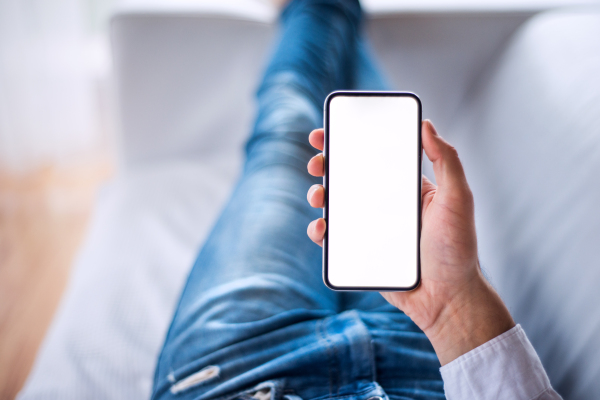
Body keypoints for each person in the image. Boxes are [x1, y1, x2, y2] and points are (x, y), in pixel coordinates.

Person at [151, 0, 562, 399]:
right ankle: (338, 8)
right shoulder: (447, 306)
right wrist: (456, 303)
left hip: (244, 370)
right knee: (371, 120)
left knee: (286, 132)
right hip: (441, 354)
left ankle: (319, 6)